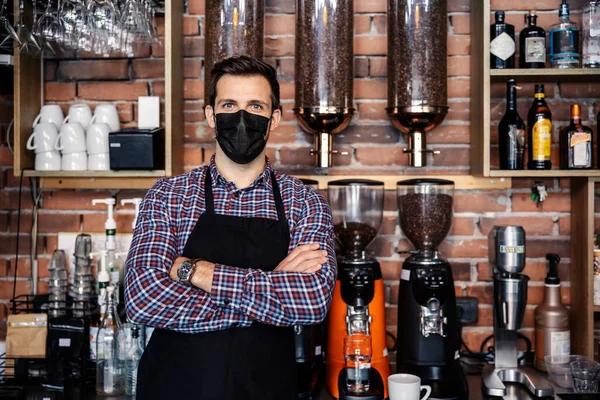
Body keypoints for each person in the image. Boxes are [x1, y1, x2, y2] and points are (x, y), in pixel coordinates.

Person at [124, 55, 337, 400]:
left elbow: (311, 301)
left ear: (274, 119)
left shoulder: (305, 202)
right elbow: (143, 300)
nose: (242, 118)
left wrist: (198, 271)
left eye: (255, 106)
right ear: (211, 115)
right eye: (228, 104)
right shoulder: (168, 196)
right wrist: (269, 297)